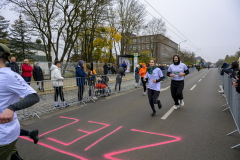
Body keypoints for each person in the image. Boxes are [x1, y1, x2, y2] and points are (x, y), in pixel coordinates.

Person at [0, 43, 40, 160]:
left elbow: (33, 96)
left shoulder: (9, 76)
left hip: (4, 134)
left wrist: (12, 107)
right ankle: (30, 134)